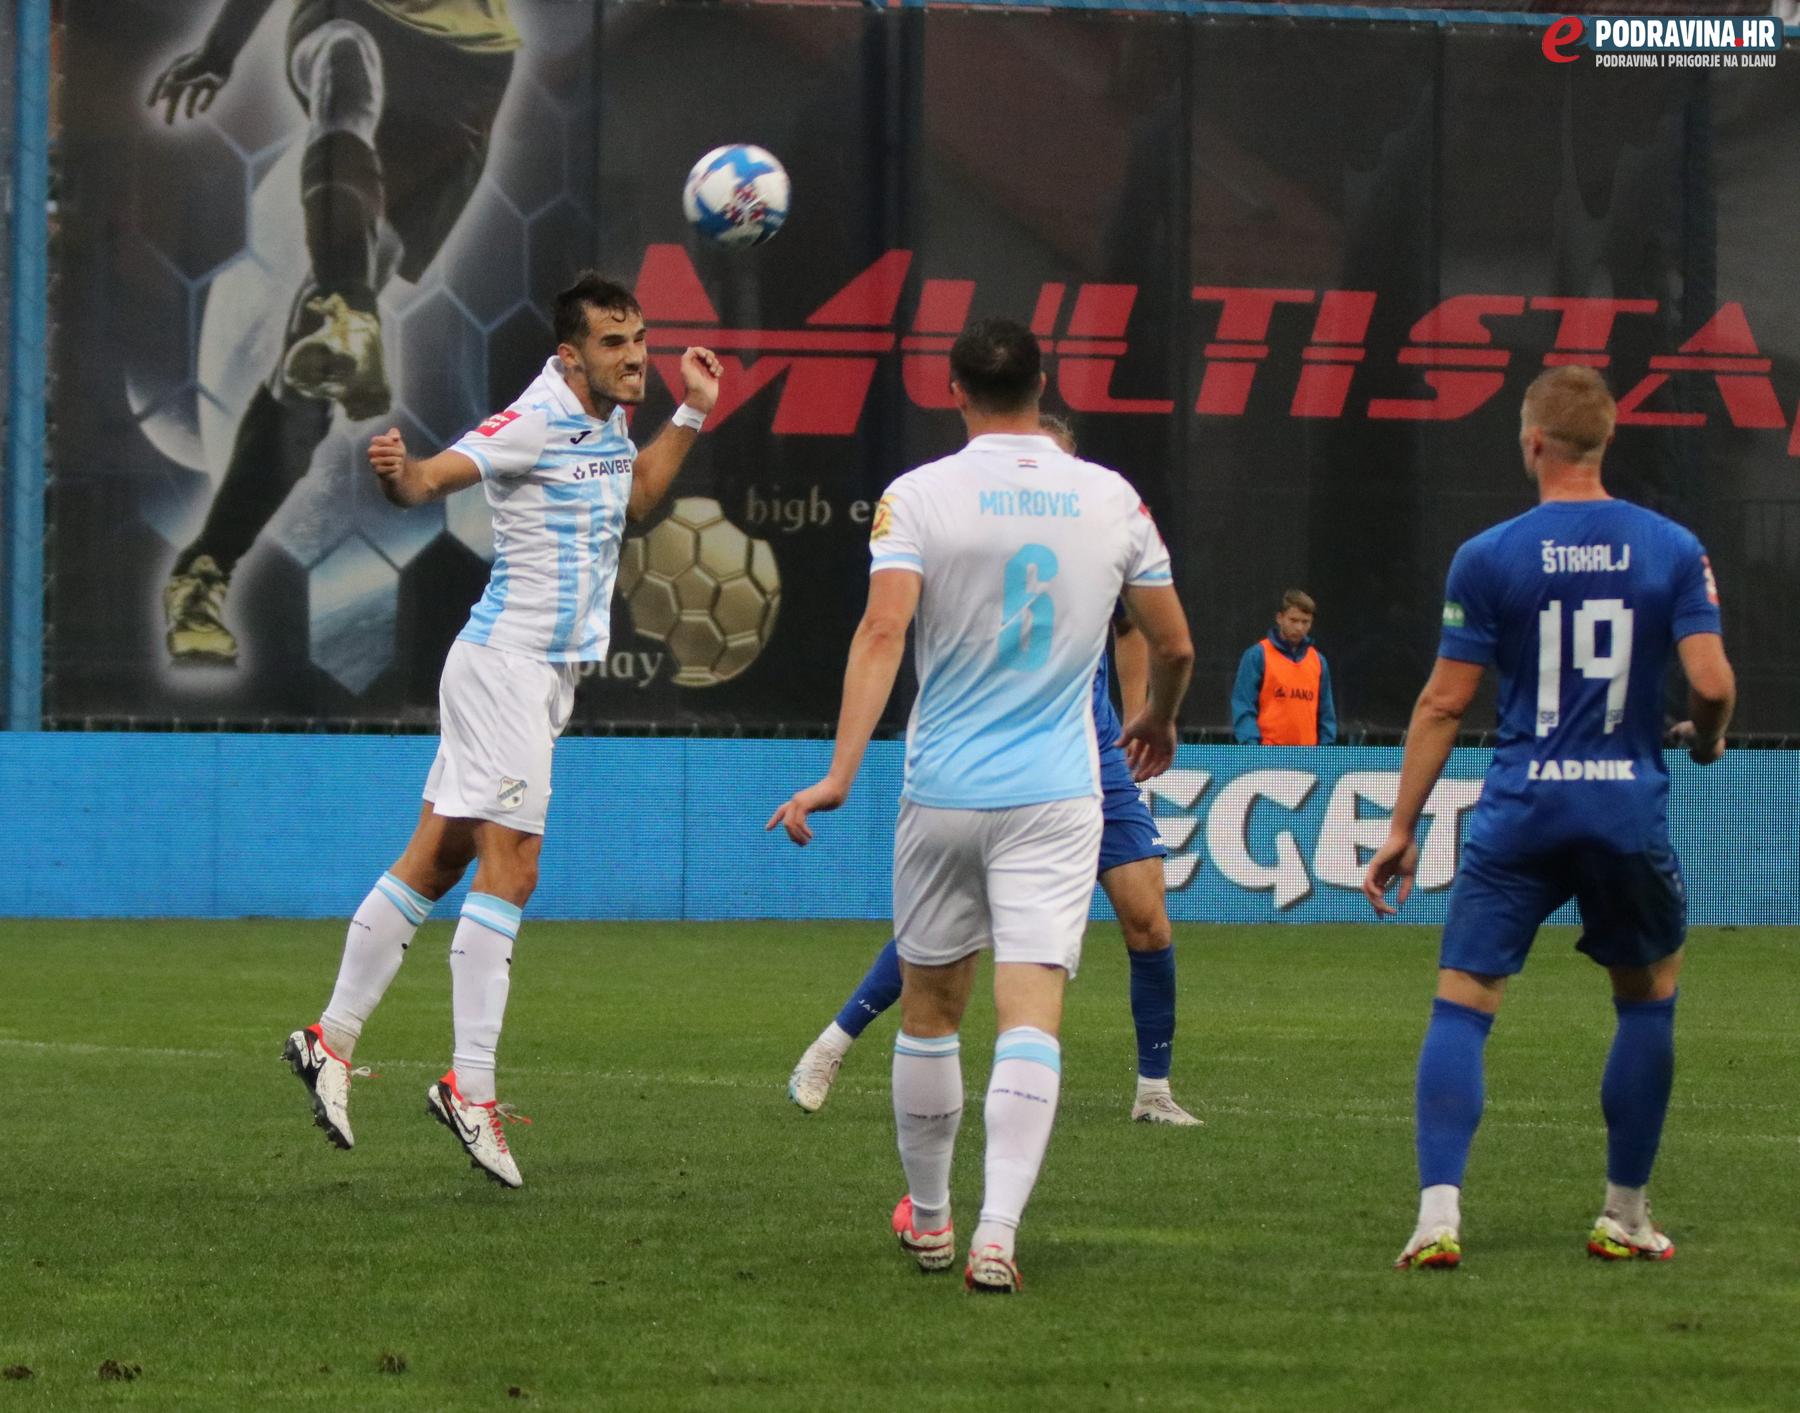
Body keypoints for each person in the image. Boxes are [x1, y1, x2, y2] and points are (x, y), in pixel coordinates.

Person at [769, 320, 1194, 1293]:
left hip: (946, 789)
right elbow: (1172, 647)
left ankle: (930, 1221)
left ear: (952, 388)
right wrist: (1158, 718)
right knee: (1030, 1010)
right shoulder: (1111, 498)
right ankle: (999, 1232)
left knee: (931, 1013)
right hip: (1055, 791)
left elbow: (883, 632)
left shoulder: (918, 495)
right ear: (1043, 385)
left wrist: (838, 775)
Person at [283, 273, 722, 1188]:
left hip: (535, 676)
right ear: (571, 356)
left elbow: (636, 497)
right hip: (505, 668)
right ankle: (469, 1086)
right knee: (514, 866)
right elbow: (435, 478)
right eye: (614, 343)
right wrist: (402, 476)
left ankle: (329, 1038)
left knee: (438, 859)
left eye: (638, 338)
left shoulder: (610, 417)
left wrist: (691, 414)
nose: (636, 356)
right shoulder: (536, 416)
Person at [1363, 367, 1735, 1270]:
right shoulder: (1672, 546)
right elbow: (1713, 683)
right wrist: (1710, 738)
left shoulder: (1488, 554)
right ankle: (1624, 1213)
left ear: (1532, 442)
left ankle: (1437, 1216)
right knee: (1646, 1000)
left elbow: (1444, 705)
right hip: (1624, 809)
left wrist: (1402, 828)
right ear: (1606, 443)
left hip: (1522, 808)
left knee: (1464, 1003)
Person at [787, 414, 1199, 1128]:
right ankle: (833, 1040)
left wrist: (1138, 715)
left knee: (1149, 919)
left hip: (1090, 753)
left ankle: (1153, 1091)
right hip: (996, 755)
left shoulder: (1094, 520)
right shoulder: (978, 527)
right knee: (953, 928)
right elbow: (888, 625)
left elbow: (1138, 632)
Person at [152, 0, 522, 663]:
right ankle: (346, 307)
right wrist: (220, 50)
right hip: (355, 14)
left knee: (319, 345)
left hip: (469, 67)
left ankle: (203, 566)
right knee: (344, 61)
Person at [1231, 590, 1337, 745]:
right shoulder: (1257, 655)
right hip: (1267, 757)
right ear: (1280, 618)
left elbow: (1326, 713)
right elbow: (1244, 705)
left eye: (1305, 622)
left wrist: (1324, 751)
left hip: (1308, 758)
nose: (1299, 627)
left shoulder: (1318, 661)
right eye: (1293, 620)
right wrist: (1253, 749)